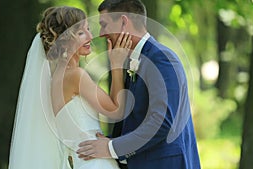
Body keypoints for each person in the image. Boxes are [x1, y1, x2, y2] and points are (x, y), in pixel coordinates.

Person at [77, 0, 201, 169]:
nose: (101, 33)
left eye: (104, 25)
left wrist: (111, 148)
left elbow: (162, 121)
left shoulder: (161, 58)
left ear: (123, 22)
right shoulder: (131, 60)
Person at [9, 6, 132, 169]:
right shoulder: (75, 76)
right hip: (94, 162)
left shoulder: (55, 79)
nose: (90, 36)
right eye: (81, 33)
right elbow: (116, 110)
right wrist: (116, 65)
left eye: (88, 29)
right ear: (64, 40)